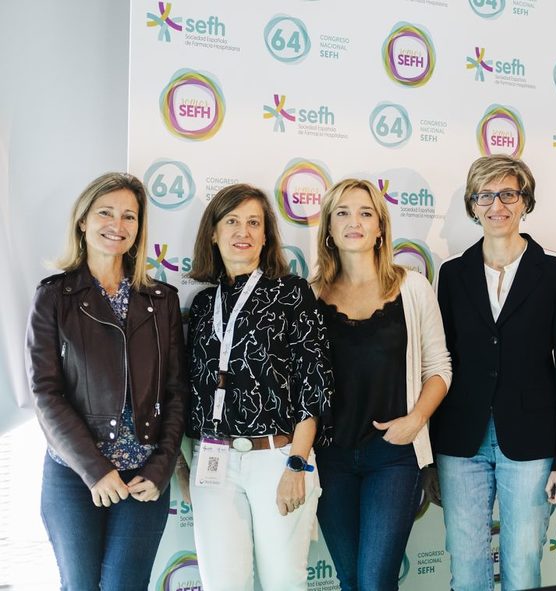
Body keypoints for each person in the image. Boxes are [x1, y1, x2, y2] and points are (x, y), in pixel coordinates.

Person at [25, 172, 188, 590]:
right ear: (83, 220)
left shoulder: (162, 300)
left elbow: (176, 392)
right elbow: (46, 393)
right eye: (105, 213)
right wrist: (96, 470)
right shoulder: (54, 297)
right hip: (75, 473)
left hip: (142, 476)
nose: (117, 225)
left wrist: (161, 467)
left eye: (129, 216)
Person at [433, 154, 556, 591]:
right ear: (472, 205)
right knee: (467, 565)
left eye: (508, 194)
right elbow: (438, 364)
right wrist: (430, 456)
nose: (497, 205)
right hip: (460, 441)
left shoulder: (555, 270)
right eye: (485, 195)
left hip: (532, 440)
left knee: (522, 563)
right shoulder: (451, 273)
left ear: (525, 202)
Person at [184, 183, 333, 589]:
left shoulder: (292, 293)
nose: (243, 232)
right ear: (213, 233)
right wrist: (184, 465)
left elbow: (314, 384)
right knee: (223, 583)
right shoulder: (203, 304)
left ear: (266, 236)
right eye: (232, 221)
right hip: (214, 461)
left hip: (278, 456)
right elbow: (193, 390)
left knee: (283, 581)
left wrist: (298, 463)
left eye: (254, 223)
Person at [312, 178, 452, 590]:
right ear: (329, 228)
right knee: (351, 579)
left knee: (376, 581)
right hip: (330, 458)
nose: (354, 222)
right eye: (342, 213)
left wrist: (416, 419)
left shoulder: (412, 287)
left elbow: (439, 368)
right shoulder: (309, 295)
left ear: (380, 228)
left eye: (365, 213)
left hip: (393, 457)